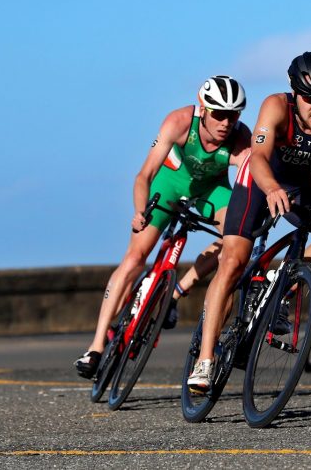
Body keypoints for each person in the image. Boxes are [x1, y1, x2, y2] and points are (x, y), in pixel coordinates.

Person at [187, 51, 311, 393]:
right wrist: (272, 187)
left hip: (299, 189)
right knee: (232, 262)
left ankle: (284, 285)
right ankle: (205, 360)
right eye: (310, 98)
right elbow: (258, 156)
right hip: (258, 182)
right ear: (295, 93)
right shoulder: (276, 106)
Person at [74, 76, 252, 378]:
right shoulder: (179, 122)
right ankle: (94, 347)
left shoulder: (240, 138)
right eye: (219, 114)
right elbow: (144, 175)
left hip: (211, 190)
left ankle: (177, 292)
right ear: (203, 109)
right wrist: (139, 212)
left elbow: (251, 176)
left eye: (232, 115)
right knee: (135, 257)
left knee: (234, 238)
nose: (225, 122)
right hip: (169, 183)